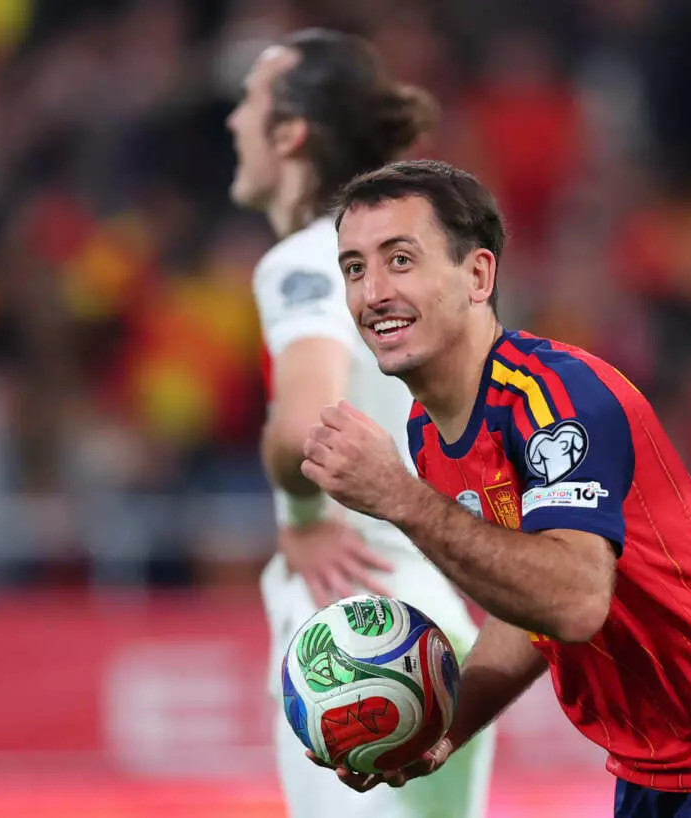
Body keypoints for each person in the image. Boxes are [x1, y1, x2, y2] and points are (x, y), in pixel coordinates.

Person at [299, 159, 691, 818]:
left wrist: (399, 497)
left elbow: (574, 600)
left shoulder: (557, 399)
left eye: (400, 260)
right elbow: (534, 613)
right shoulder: (428, 435)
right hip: (657, 764)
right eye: (354, 268)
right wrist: (441, 732)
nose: (373, 292)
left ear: (478, 275)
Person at [226, 33, 494, 818]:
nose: (232, 120)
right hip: (442, 619)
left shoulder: (310, 258)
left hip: (349, 625)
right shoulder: (419, 261)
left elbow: (307, 424)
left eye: (249, 100)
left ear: (290, 135)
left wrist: (305, 519)